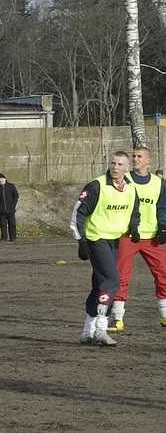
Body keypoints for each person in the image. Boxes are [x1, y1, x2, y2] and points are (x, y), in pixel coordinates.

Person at [70, 151, 139, 346]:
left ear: (127, 168)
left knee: (99, 284)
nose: (115, 167)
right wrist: (81, 240)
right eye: (113, 163)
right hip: (96, 238)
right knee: (111, 280)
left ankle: (87, 331)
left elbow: (134, 210)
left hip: (115, 240)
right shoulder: (96, 186)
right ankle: (101, 328)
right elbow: (79, 213)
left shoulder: (131, 189)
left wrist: (134, 227)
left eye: (120, 164)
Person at [109, 147, 166, 331]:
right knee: (121, 276)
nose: (135, 159)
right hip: (128, 236)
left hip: (152, 237)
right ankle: (118, 319)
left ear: (149, 160)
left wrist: (163, 227)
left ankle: (164, 315)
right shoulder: (124, 180)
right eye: (133, 156)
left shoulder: (159, 183)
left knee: (163, 275)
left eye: (139, 156)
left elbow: (162, 208)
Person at [0, 173, 19, 242]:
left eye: (2, 179)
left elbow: (16, 196)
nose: (1, 180)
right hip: (1, 211)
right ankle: (4, 237)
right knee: (3, 225)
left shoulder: (11, 186)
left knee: (12, 224)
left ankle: (13, 237)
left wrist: (13, 205)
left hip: (11, 210)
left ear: (5, 179)